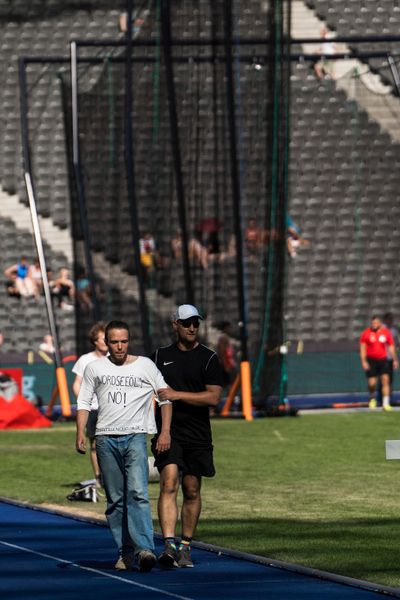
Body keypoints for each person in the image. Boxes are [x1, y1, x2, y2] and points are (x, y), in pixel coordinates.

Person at [75, 320, 171, 573]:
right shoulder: (95, 368)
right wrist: (80, 433)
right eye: (115, 342)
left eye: (124, 341)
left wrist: (165, 432)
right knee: (116, 500)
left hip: (135, 437)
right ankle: (125, 552)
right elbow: (84, 401)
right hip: (106, 439)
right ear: (106, 343)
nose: (120, 346)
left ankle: (145, 549)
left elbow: (165, 397)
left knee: (138, 493)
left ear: (129, 341)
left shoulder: (145, 366)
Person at [151, 304, 224, 568]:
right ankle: (168, 545)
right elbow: (151, 392)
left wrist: (177, 394)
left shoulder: (208, 358)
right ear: (175, 325)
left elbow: (214, 397)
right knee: (169, 482)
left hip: (198, 433)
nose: (192, 327)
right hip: (168, 433)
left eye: (195, 323)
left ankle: (185, 546)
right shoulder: (159, 356)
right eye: (186, 323)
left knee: (191, 489)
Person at [72, 322, 108, 487]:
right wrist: (84, 401)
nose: (106, 341)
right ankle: (99, 477)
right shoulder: (85, 360)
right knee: (95, 444)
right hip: (93, 409)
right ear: (95, 341)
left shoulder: (115, 359)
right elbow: (76, 383)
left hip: (111, 408)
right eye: (103, 338)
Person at [360, 315, 398, 411]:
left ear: (380, 323)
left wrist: (394, 359)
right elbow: (362, 348)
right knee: (372, 383)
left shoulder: (386, 333)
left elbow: (391, 346)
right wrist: (364, 361)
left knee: (385, 380)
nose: (374, 325)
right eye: (373, 323)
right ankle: (372, 398)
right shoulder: (366, 333)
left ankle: (386, 403)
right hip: (371, 360)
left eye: (376, 323)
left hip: (383, 360)